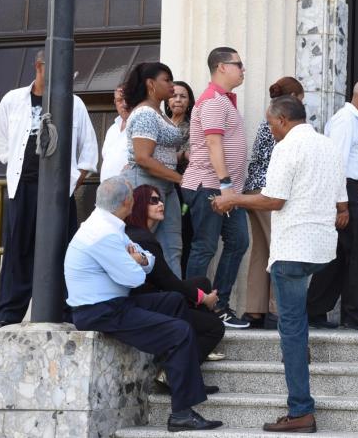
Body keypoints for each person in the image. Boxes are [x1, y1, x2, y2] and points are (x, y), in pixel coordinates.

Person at [211, 96, 348, 434]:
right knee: (296, 323)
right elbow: (340, 199)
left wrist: (233, 198)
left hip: (293, 249)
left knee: (291, 329)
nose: (271, 131)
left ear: (283, 120)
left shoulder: (286, 147)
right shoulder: (328, 145)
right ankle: (299, 355)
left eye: (271, 125)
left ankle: (301, 410)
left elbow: (274, 199)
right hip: (319, 248)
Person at [65, 177, 223, 433]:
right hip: (101, 311)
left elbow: (145, 259)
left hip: (113, 303)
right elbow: (136, 277)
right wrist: (138, 261)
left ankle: (177, 372)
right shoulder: (102, 234)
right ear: (126, 203)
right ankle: (181, 414)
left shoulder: (106, 223)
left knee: (171, 301)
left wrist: (138, 259)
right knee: (178, 331)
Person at [0, 49, 98, 329]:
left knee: (62, 249)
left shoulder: (75, 104)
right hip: (23, 187)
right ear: (40, 67)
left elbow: (88, 151)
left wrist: (71, 184)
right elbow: (1, 141)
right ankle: (7, 315)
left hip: (57, 191)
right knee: (17, 251)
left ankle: (65, 312)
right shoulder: (12, 100)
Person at [307, 78, 358, 330]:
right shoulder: (346, 120)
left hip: (351, 192)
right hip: (349, 192)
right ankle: (357, 315)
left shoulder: (356, 121)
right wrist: (340, 205)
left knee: (339, 257)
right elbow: (337, 163)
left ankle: (314, 310)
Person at [181, 47, 250, 328]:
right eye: (239, 64)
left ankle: (218, 303)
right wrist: (224, 185)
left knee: (238, 242)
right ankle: (193, 308)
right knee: (205, 248)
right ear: (222, 67)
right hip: (210, 186)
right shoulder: (213, 101)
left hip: (225, 189)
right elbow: (212, 144)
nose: (243, 70)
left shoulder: (223, 101)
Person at [125, 184, 225, 366]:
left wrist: (200, 295)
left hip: (151, 297)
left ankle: (197, 344)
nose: (161, 204)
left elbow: (168, 281)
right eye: (154, 201)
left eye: (161, 200)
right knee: (215, 327)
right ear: (139, 205)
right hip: (147, 304)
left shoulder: (140, 235)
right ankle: (172, 373)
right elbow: (168, 282)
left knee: (202, 282)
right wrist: (204, 299)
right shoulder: (143, 239)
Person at [241, 76, 305, 329]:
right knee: (279, 249)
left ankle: (255, 310)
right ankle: (277, 310)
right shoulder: (283, 126)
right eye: (300, 99)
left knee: (261, 250)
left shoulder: (266, 121)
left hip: (253, 188)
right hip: (269, 191)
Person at [122, 62, 184, 279]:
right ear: (150, 84)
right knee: (141, 246)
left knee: (172, 248)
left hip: (164, 184)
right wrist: (180, 178)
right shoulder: (146, 114)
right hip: (145, 183)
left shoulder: (158, 112)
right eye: (166, 80)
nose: (173, 86)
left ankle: (176, 303)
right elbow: (143, 157)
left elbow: (159, 153)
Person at [165, 80, 195, 276]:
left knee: (182, 234)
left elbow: (190, 155)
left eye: (183, 96)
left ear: (189, 101)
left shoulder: (192, 126)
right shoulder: (159, 122)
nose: (178, 100)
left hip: (182, 186)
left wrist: (159, 156)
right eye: (174, 95)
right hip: (157, 185)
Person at [100, 85, 130, 181]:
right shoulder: (112, 129)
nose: (124, 104)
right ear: (115, 102)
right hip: (107, 190)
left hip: (131, 191)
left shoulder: (141, 125)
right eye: (119, 100)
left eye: (127, 99)